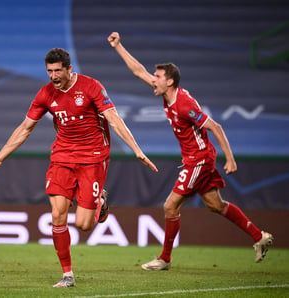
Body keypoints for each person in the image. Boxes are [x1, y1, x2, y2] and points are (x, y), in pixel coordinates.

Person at [0, 48, 158, 287]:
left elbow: (114, 118)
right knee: (57, 215)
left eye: (57, 71)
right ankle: (68, 274)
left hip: (93, 157)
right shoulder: (45, 94)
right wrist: (0, 157)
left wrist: (137, 149)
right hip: (62, 157)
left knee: (83, 225)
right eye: (49, 71)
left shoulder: (91, 86)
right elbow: (25, 128)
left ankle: (99, 203)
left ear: (69, 69)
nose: (53, 76)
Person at [107, 32, 273, 271]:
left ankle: (164, 259)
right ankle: (260, 237)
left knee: (169, 206)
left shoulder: (185, 105)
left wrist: (231, 158)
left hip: (200, 159)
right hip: (195, 158)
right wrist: (119, 46)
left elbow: (216, 126)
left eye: (158, 77)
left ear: (170, 82)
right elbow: (138, 71)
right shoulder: (166, 93)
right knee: (216, 205)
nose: (153, 80)